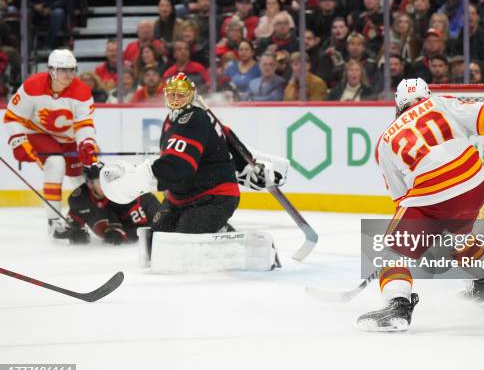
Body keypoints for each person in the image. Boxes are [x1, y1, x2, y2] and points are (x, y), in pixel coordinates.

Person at [357, 78, 484, 331]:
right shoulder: (442, 103)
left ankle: (398, 305)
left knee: (392, 251)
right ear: (427, 94)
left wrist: (423, 228)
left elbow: (401, 197)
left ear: (398, 104)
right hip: (474, 186)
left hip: (432, 194)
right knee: (459, 237)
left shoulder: (385, 140)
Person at [99, 73, 284, 235]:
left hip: (212, 197)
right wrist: (245, 167)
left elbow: (179, 167)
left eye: (181, 95)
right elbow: (225, 141)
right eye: (171, 95)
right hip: (180, 198)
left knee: (183, 240)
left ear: (191, 96)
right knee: (157, 237)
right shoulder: (174, 120)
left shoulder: (194, 118)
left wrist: (140, 178)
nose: (175, 100)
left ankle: (222, 232)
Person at [3, 49, 100, 239]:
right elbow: (12, 117)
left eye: (72, 70)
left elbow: (84, 124)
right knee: (56, 163)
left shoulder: (82, 91)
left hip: (69, 138)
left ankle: (80, 220)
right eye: (63, 70)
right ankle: (54, 221)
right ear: (51, 70)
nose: (68, 75)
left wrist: (87, 144)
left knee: (80, 179)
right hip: (38, 132)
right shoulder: (32, 86)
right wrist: (18, 141)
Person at [66, 162, 160, 244]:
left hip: (153, 214)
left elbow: (144, 230)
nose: (105, 185)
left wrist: (122, 234)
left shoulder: (123, 197)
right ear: (90, 184)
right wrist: (74, 231)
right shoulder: (79, 198)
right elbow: (73, 223)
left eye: (106, 181)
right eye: (100, 183)